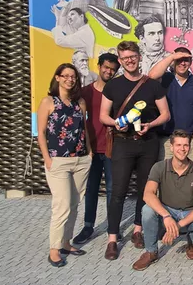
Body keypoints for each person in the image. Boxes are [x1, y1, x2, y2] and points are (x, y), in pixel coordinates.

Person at [99, 40, 170, 260]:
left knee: (144, 191)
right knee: (118, 192)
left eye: (133, 56)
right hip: (122, 142)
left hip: (148, 142)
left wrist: (150, 125)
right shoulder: (113, 85)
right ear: (120, 61)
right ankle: (112, 239)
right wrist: (114, 123)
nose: (129, 60)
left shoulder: (152, 85)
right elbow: (103, 115)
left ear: (139, 57)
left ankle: (138, 230)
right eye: (125, 58)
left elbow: (165, 114)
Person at [132, 130, 193, 270]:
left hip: (190, 212)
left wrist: (177, 225)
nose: (182, 149)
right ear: (171, 147)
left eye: (185, 145)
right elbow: (148, 194)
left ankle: (192, 241)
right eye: (178, 145)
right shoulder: (159, 167)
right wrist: (166, 216)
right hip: (167, 210)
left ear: (189, 147)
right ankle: (151, 251)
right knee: (147, 209)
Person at [37, 63, 92, 267]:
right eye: (66, 76)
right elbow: (41, 133)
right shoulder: (48, 102)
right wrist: (47, 159)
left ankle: (66, 243)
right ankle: (54, 250)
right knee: (61, 206)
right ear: (58, 78)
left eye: (73, 76)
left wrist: (89, 153)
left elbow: (84, 128)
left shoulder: (80, 102)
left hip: (80, 160)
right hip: (58, 161)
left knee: (74, 204)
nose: (70, 79)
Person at [72, 53, 120, 244]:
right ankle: (88, 226)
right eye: (106, 67)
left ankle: (113, 228)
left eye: (113, 69)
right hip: (90, 149)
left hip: (111, 148)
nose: (109, 71)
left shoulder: (116, 93)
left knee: (111, 189)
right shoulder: (85, 92)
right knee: (91, 189)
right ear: (99, 66)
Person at [148, 47, 193, 162]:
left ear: (190, 62)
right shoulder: (165, 78)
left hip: (188, 139)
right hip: (166, 138)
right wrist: (171, 57)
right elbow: (152, 75)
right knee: (165, 175)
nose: (182, 63)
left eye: (186, 60)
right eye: (179, 59)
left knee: (187, 175)